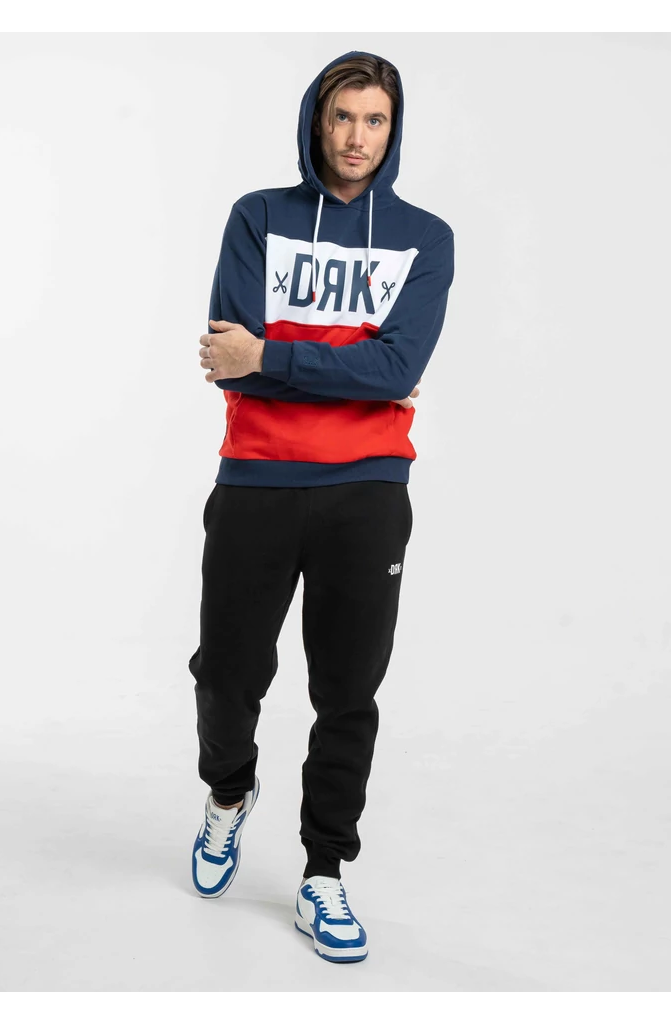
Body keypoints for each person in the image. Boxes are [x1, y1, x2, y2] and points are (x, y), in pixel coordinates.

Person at [187, 49, 454, 964]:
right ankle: (228, 793)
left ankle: (323, 871)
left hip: (368, 491)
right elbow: (229, 359)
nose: (356, 137)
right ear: (316, 119)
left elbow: (397, 365)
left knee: (347, 690)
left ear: (394, 130)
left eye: (375, 119)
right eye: (343, 116)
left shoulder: (424, 238)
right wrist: (353, 370)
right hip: (256, 481)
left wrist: (274, 356)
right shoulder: (258, 217)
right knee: (225, 674)